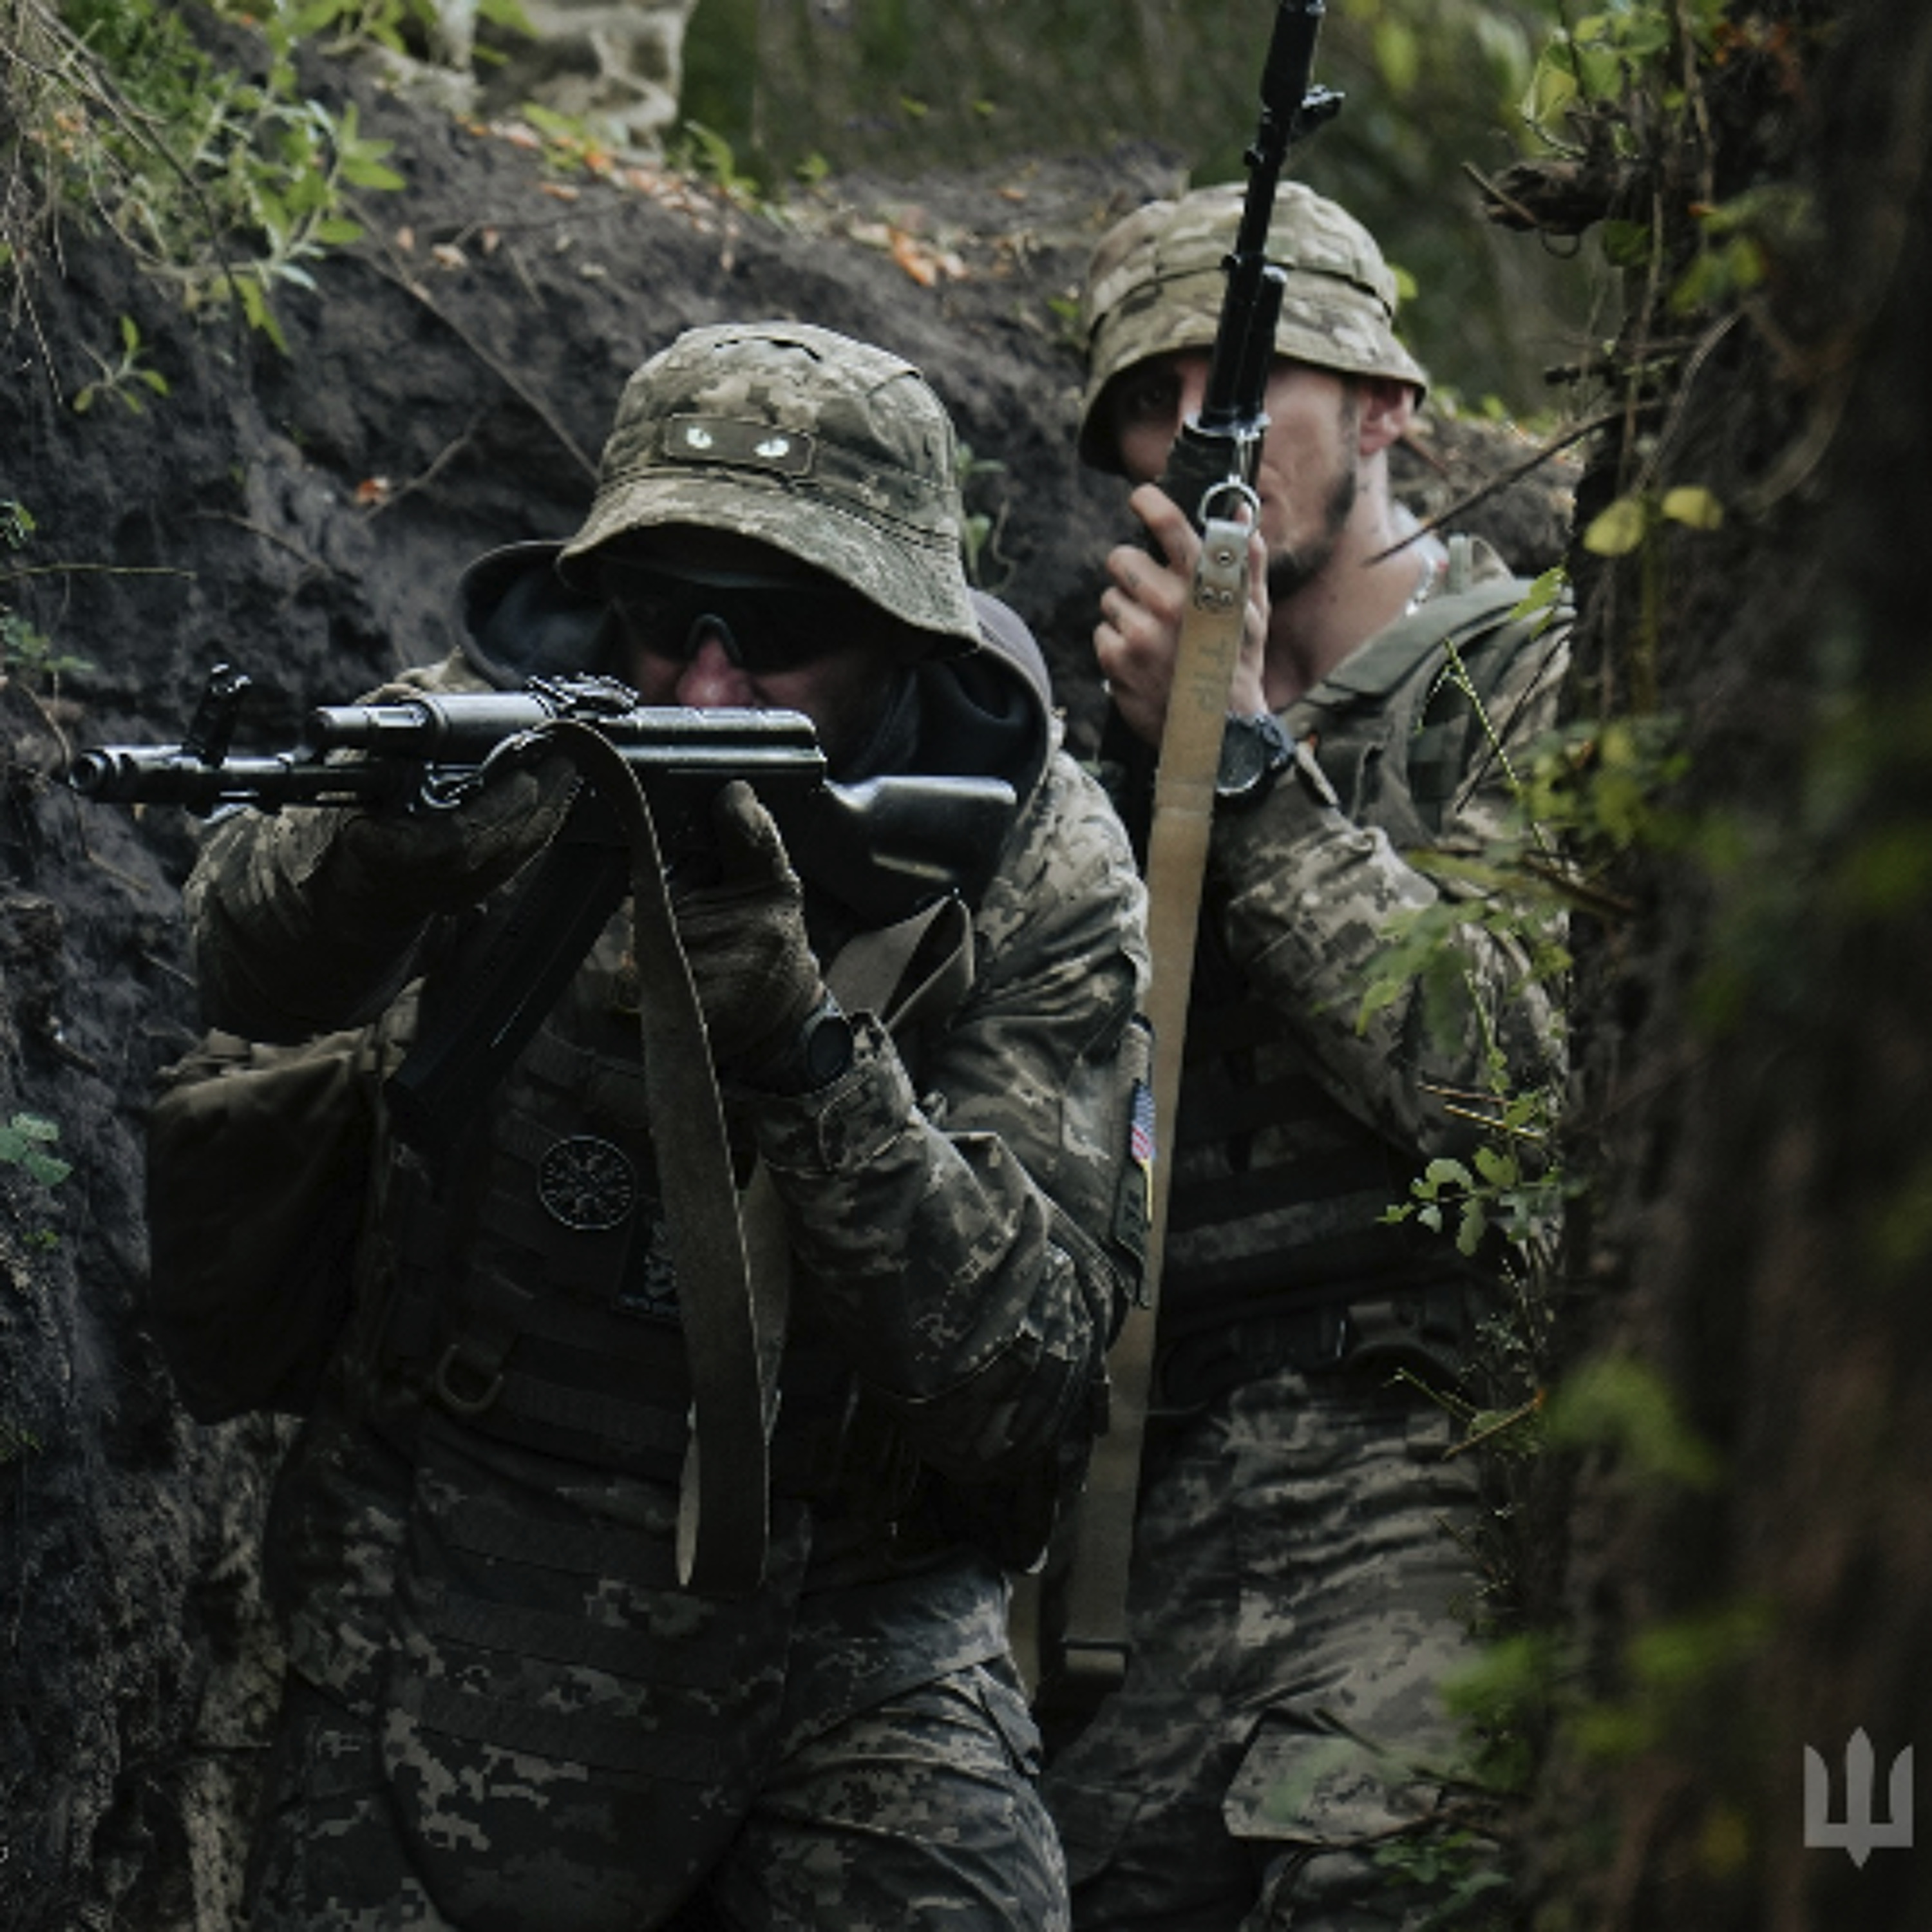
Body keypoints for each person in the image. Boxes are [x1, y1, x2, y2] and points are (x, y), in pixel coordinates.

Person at [185, 319, 1152, 1930]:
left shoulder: (1035, 866)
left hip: (845, 1630)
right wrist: (388, 859)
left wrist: (802, 1046)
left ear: (907, 637)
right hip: (448, 1556)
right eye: (660, 620)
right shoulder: (498, 721)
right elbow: (236, 955)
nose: (704, 684)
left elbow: (1029, 1382)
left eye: (776, 633)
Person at [1035, 182, 1569, 1928]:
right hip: (1144, 1492)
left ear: (1390, 408)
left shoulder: (1528, 678)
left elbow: (1516, 1086)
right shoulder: (1081, 731)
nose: (1202, 438)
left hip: (1429, 1450)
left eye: (1251, 389)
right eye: (1155, 401)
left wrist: (1243, 761)